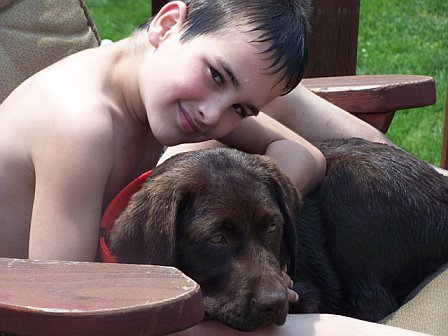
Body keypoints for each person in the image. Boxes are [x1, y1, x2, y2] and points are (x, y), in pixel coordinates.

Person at [0, 0, 440, 335]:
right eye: (216, 75)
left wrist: (264, 215)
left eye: (241, 108)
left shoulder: (170, 98)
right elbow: (64, 313)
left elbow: (306, 156)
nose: (214, 115)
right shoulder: (81, 125)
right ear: (168, 23)